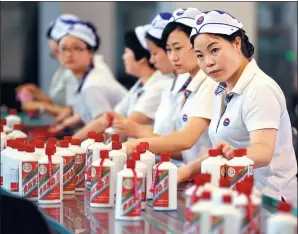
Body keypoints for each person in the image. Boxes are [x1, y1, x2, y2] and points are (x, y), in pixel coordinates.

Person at [178, 10, 297, 206]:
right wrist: (186, 172)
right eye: (200, 55)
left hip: (270, 200)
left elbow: (263, 151)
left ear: (236, 43)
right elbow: (221, 151)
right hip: (238, 194)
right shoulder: (221, 89)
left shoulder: (259, 89)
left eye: (214, 50)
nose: (207, 62)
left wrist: (234, 153)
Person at [124, 8, 217, 165]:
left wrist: (136, 142)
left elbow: (186, 140)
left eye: (178, 48)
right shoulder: (190, 85)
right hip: (193, 173)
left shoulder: (210, 83)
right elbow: (183, 150)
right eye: (168, 50)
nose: (173, 57)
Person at [72, 24, 172, 141]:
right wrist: (73, 141)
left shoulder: (159, 85)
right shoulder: (140, 84)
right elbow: (109, 117)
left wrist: (79, 143)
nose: (123, 57)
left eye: (126, 52)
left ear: (141, 59)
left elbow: (125, 125)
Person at [108, 12, 190, 140]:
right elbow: (163, 131)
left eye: (155, 53)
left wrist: (138, 132)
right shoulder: (172, 84)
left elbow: (183, 142)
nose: (151, 60)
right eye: (169, 49)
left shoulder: (163, 83)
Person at [49, 21, 127, 134]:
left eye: (76, 48)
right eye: (63, 48)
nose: (68, 54)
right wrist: (67, 123)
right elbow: (89, 111)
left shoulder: (93, 85)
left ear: (91, 51)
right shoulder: (87, 72)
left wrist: (72, 141)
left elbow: (103, 125)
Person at [16, 14, 80, 118]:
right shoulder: (64, 68)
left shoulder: (77, 70)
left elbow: (75, 112)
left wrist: (41, 106)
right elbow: (61, 102)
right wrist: (38, 95)